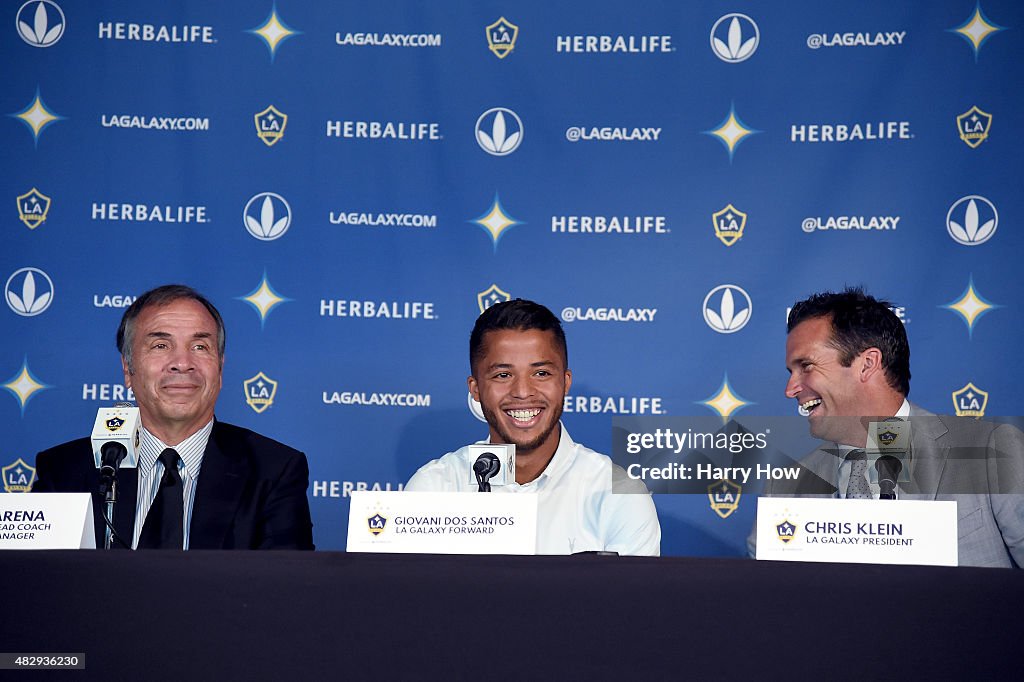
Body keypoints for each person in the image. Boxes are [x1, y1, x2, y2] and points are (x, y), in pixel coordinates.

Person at [749, 287, 1023, 567]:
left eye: (806, 366)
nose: (790, 389)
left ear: (867, 364)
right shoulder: (785, 487)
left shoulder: (993, 452)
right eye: (791, 372)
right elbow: (770, 597)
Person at [33, 284, 314, 550]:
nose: (182, 363)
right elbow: (35, 585)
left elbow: (286, 590)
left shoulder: (274, 471)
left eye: (200, 347)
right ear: (128, 369)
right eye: (160, 346)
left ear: (220, 368)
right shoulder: (64, 472)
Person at [405, 299, 661, 555]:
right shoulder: (435, 489)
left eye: (541, 374)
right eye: (503, 375)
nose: (523, 392)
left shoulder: (619, 496)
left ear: (565, 382)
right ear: (475, 389)